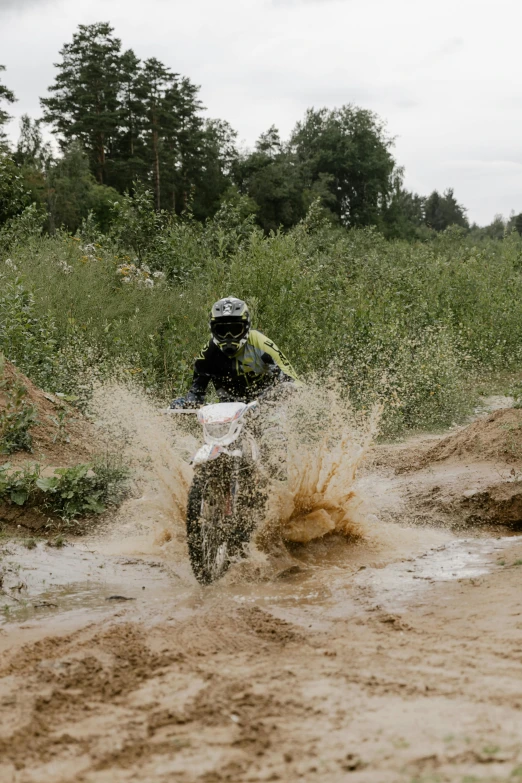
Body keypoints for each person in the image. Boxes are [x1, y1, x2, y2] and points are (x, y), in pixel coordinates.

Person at [170, 297, 299, 408]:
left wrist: (272, 398)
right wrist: (188, 403)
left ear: (246, 327)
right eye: (222, 330)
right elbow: (196, 392)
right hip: (230, 413)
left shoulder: (261, 343)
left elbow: (294, 383)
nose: (229, 336)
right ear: (213, 330)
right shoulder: (208, 353)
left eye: (235, 329)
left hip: (267, 405)